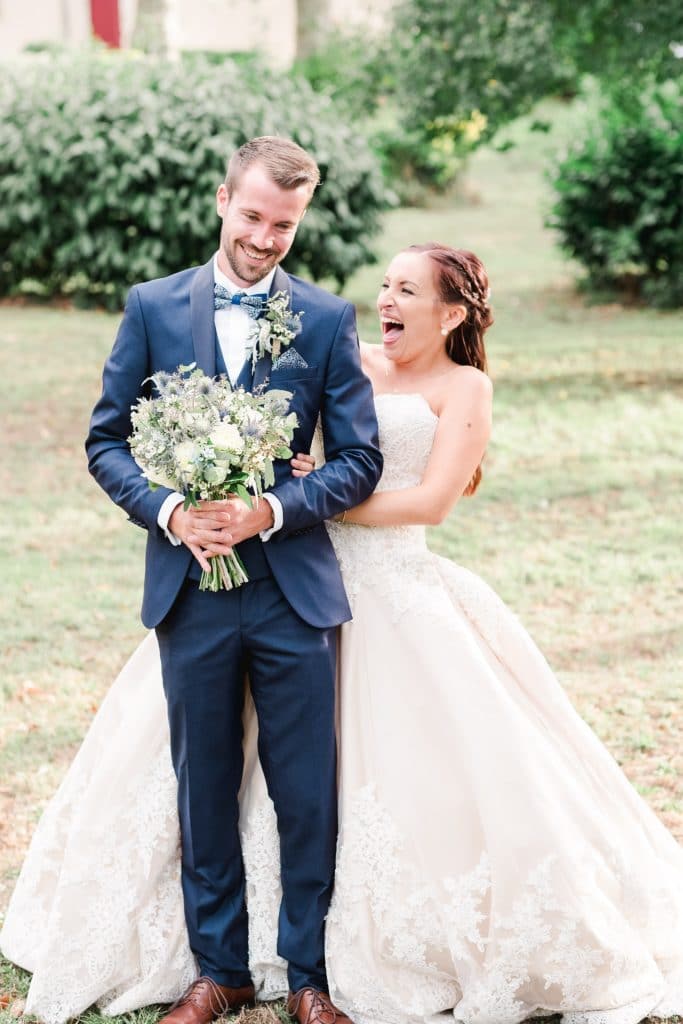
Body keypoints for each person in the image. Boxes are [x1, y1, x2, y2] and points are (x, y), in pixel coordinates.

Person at [3, 244, 683, 1024]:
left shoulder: (466, 386)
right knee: (210, 765)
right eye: (384, 285)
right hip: (286, 576)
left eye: (407, 290)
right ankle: (225, 958)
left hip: (384, 586)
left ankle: (317, 967)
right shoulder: (332, 339)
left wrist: (294, 500)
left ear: (452, 313)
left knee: (359, 776)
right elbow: (255, 418)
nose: (386, 299)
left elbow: (428, 502)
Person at [81, 135, 383, 1024]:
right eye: (253, 216)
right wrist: (171, 510)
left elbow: (360, 460)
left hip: (292, 588)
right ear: (223, 200)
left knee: (305, 789)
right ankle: (220, 971)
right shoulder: (150, 306)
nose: (265, 238)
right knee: (202, 781)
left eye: (284, 225)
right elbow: (105, 439)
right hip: (191, 590)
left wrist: (274, 507)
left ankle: (310, 977)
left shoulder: (326, 320)